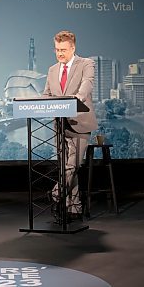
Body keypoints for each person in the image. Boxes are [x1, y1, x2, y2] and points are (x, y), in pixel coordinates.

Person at [43, 30, 98, 221]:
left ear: (72, 48)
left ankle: (56, 194)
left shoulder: (86, 64)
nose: (60, 54)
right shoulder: (51, 70)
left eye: (63, 50)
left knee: (73, 164)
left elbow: (87, 83)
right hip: (59, 125)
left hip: (80, 122)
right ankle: (73, 207)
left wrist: (77, 98)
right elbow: (47, 94)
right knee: (67, 166)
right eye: (57, 50)